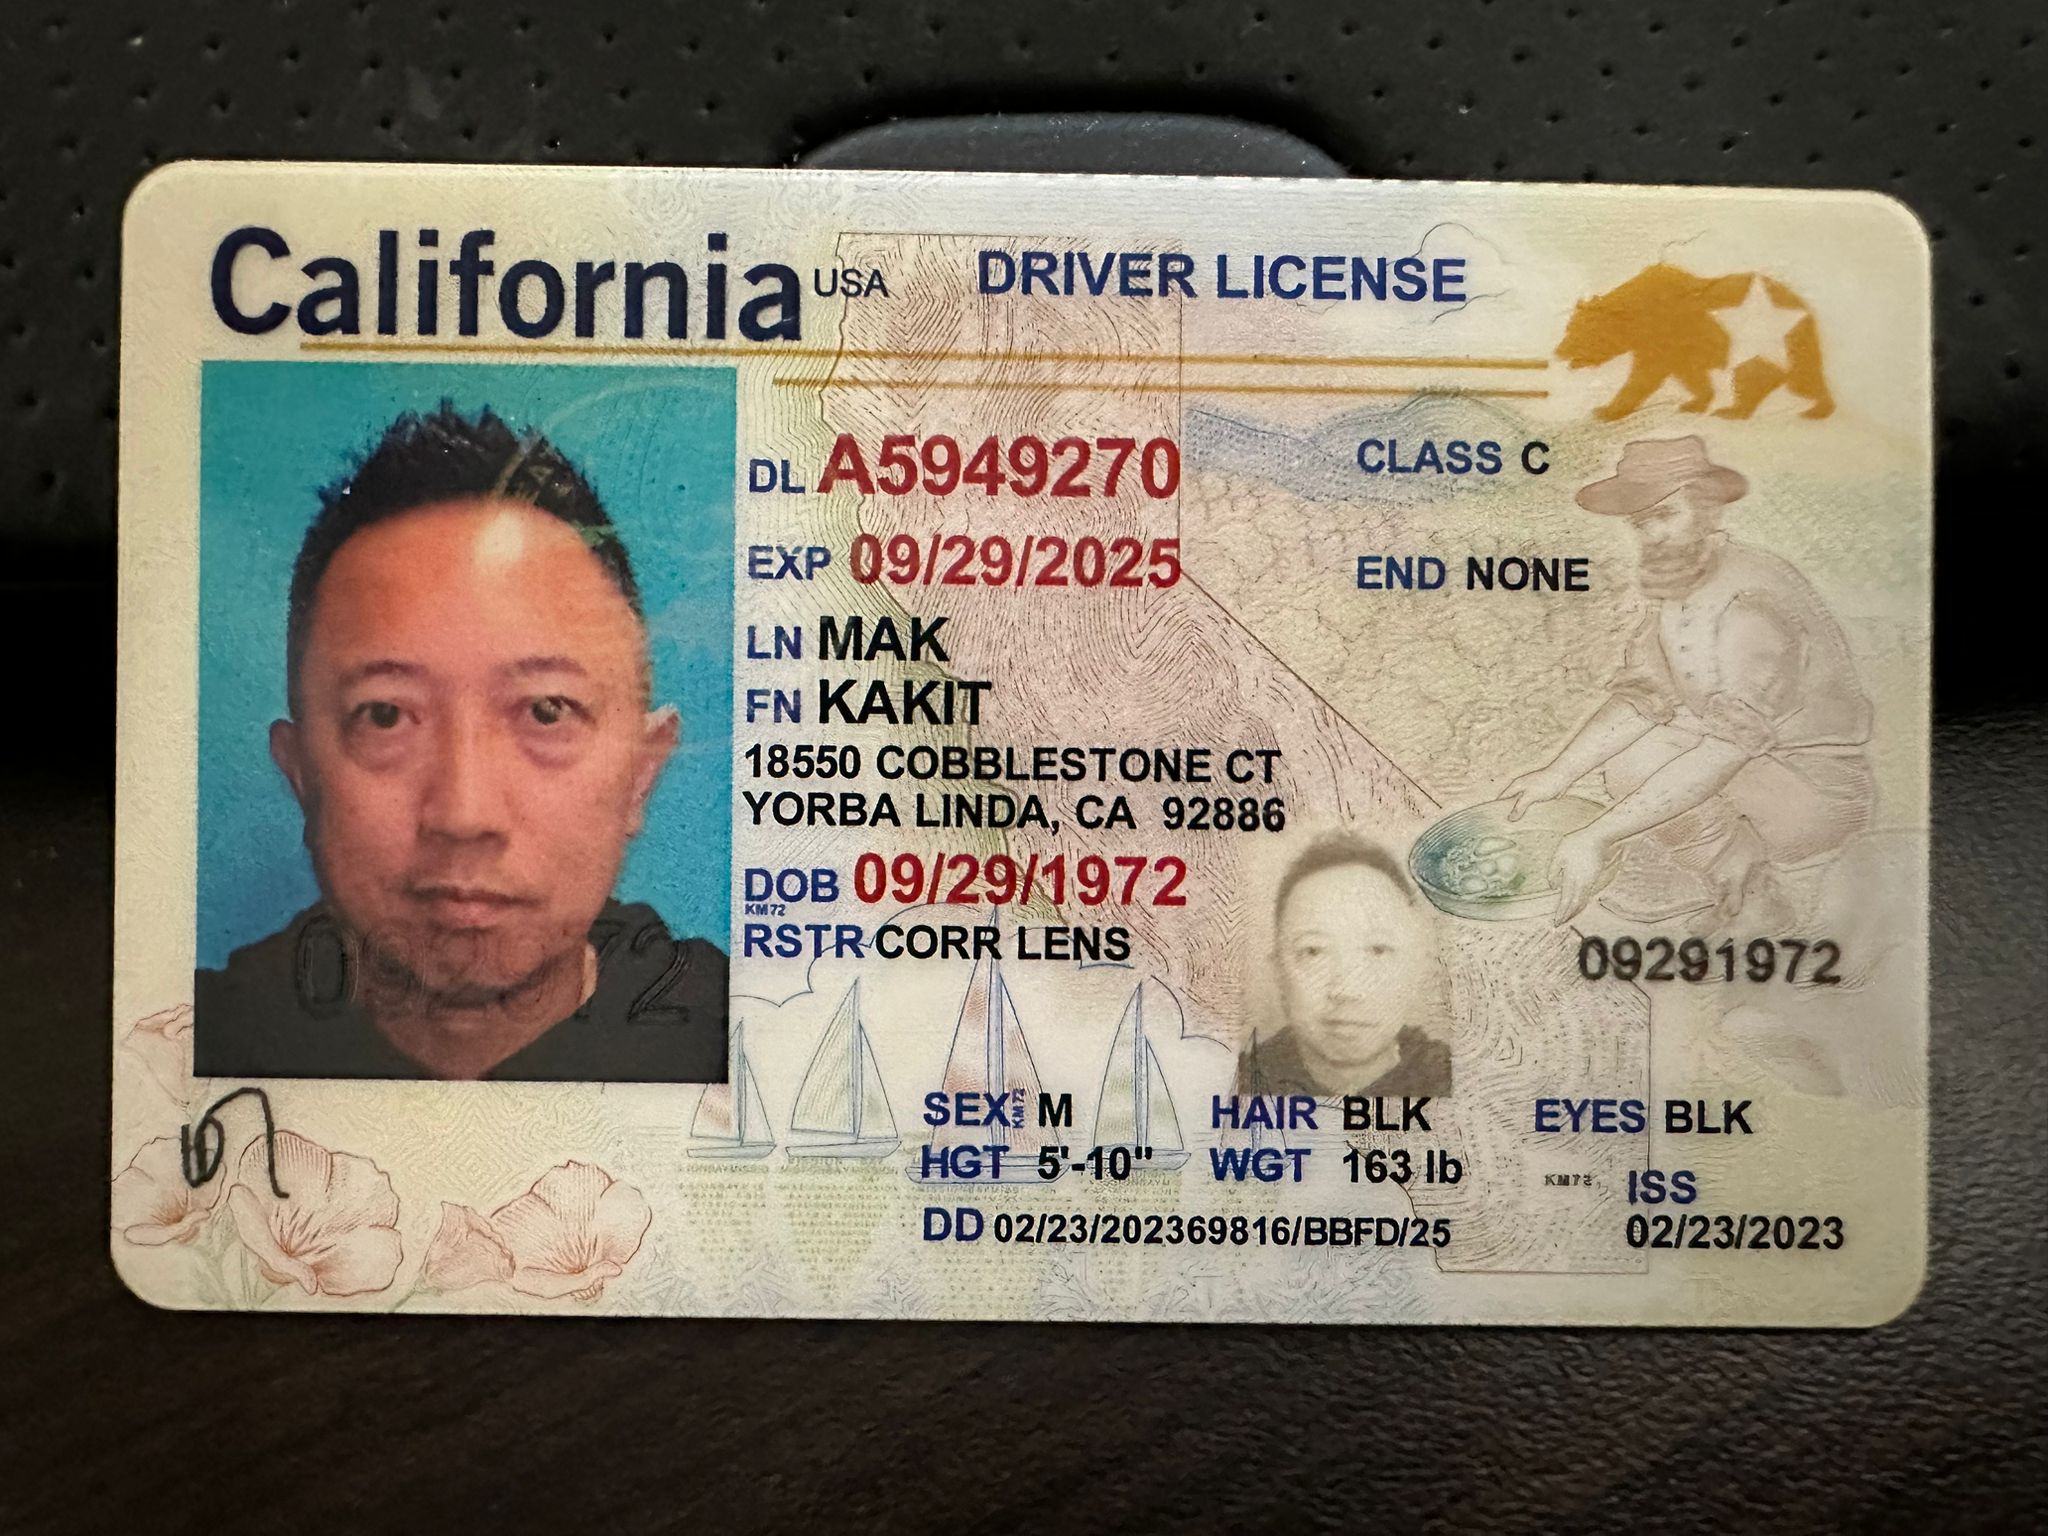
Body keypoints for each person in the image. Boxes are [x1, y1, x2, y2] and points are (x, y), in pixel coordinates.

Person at [194, 403, 728, 1082]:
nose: (464, 816)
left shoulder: (756, 1041)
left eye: (546, 710)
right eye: (385, 715)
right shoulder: (178, 1052)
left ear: (641, 774)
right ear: (301, 775)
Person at [1501, 436, 1874, 925]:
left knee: (1646, 771)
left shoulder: (1749, 601)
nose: (1653, 535)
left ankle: (1764, 890)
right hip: (1753, 766)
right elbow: (1644, 697)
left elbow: (1728, 747)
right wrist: (1558, 773)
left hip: (1811, 789)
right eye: (1642, 523)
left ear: (1709, 511)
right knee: (1631, 762)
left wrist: (1595, 835)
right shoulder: (1680, 588)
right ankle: (1738, 880)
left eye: (1666, 515)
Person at [1236, 833, 1452, 1099]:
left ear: (1416, 970)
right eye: (1313, 951)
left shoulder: (1463, 1080)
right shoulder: (1231, 1084)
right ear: (1278, 973)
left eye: (1378, 950)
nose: (1347, 990)